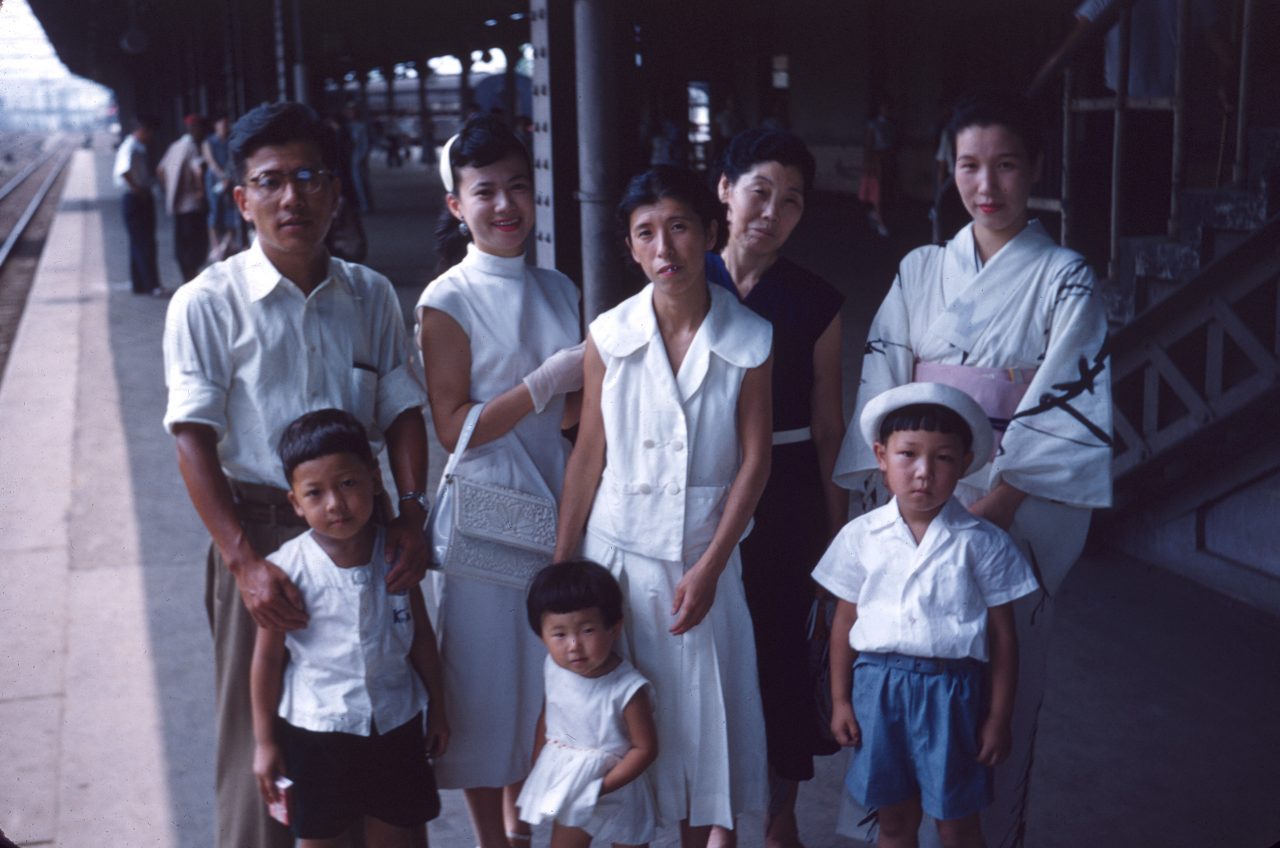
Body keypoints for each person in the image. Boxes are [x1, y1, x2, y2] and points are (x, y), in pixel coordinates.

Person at [832, 90, 1112, 848]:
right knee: (896, 670)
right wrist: (905, 508)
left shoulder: (1065, 277)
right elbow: (884, 385)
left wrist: (987, 514)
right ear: (948, 169)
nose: (986, 185)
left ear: (1036, 168)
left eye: (1006, 165)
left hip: (1007, 505)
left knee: (994, 691)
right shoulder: (922, 268)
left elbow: (1064, 405)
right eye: (968, 166)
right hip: (915, 495)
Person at [163, 100, 430, 848]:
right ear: (241, 198)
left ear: (336, 191)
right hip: (259, 536)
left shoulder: (369, 294)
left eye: (310, 177)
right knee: (259, 739)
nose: (293, 197)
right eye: (271, 181)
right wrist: (243, 562)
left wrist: (412, 513)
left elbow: (402, 411)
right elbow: (192, 439)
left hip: (367, 536)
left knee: (374, 713)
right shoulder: (206, 304)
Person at [554, 165, 773, 848]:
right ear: (629, 246)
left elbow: (755, 460)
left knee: (707, 732)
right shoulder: (610, 334)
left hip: (703, 562)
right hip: (615, 558)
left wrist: (711, 568)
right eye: (645, 233)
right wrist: (563, 567)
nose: (664, 248)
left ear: (709, 232)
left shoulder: (750, 338)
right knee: (621, 730)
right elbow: (589, 454)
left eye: (678, 227)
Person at [417, 114, 583, 848]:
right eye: (485, 191)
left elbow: (574, 413)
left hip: (556, 499)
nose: (506, 204)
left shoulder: (558, 287)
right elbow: (453, 427)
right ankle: (495, 838)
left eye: (518, 186)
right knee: (485, 684)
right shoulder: (446, 298)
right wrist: (544, 382)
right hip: (488, 514)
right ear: (458, 205)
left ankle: (525, 828)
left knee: (546, 676)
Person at [819, 383, 1038, 848]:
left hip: (953, 694)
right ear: (881, 456)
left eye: (943, 458)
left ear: (965, 463)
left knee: (957, 825)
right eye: (908, 454)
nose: (924, 472)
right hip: (879, 691)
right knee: (894, 822)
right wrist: (840, 700)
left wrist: (998, 716)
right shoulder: (861, 536)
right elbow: (844, 622)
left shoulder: (982, 542)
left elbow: (1003, 637)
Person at [705, 127, 845, 848]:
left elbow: (827, 426)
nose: (771, 211)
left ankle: (778, 812)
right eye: (759, 191)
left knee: (781, 652)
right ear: (725, 190)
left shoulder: (815, 301)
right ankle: (717, 814)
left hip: (787, 496)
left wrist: (838, 539)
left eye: (790, 200)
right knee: (708, 652)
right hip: (699, 487)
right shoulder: (683, 276)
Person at [250, 409, 447, 847]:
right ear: (295, 503)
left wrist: (438, 706)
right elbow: (267, 659)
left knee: (394, 834)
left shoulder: (396, 555)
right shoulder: (287, 570)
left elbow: (420, 636)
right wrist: (264, 742)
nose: (335, 504)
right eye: (315, 493)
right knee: (320, 837)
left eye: (347, 483)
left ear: (374, 479)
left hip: (395, 722)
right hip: (317, 731)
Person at [516, 560, 659, 847]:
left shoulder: (627, 688)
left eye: (587, 630)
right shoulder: (553, 668)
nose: (574, 645)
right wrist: (539, 762)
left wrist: (600, 787)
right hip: (573, 783)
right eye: (559, 634)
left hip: (618, 787)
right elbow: (548, 715)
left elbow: (645, 748)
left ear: (614, 628)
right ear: (542, 636)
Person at [156, 113, 210, 282]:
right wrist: (200, 191)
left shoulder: (174, 146)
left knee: (181, 243)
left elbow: (160, 170)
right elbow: (197, 171)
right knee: (195, 243)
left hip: (177, 204)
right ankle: (193, 277)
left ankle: (186, 276)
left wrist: (170, 189)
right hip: (192, 205)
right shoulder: (192, 147)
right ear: (195, 129)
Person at [114, 115, 162, 295]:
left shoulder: (135, 146)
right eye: (149, 133)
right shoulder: (131, 146)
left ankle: (139, 284)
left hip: (136, 196)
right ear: (142, 130)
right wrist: (138, 190)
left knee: (138, 242)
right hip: (135, 197)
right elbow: (123, 171)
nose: (151, 137)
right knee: (144, 242)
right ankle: (151, 285)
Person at [202, 115, 242, 261]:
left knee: (231, 209)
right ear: (216, 125)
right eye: (221, 124)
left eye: (226, 124)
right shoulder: (208, 141)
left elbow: (233, 159)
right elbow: (210, 161)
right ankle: (215, 246)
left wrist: (228, 177)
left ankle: (226, 243)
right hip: (214, 179)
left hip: (230, 178)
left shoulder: (231, 140)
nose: (224, 127)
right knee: (215, 210)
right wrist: (222, 177)